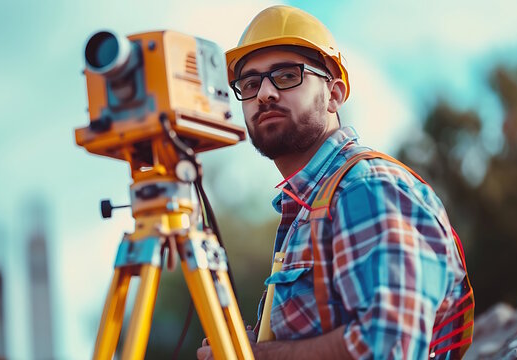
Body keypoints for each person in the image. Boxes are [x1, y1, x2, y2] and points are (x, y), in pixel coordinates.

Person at [197, 5, 474, 360]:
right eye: (250, 84)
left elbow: (388, 347)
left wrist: (257, 357)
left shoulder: (365, 188)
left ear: (335, 94)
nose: (264, 93)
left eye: (285, 76)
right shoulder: (307, 209)